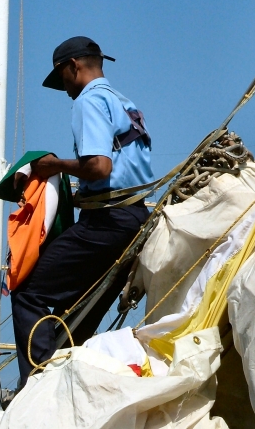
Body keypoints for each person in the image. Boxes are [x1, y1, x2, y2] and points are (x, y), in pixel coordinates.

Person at [10, 36, 154, 388]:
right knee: (78, 311)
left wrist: (51, 166)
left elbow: (99, 167)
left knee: (29, 295)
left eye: (62, 81)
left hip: (106, 222)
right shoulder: (122, 101)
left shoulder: (89, 101)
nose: (65, 91)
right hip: (137, 220)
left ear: (72, 67)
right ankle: (72, 380)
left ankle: (39, 388)